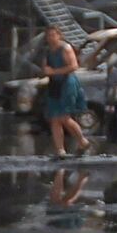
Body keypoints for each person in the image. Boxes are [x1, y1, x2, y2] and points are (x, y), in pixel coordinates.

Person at [35, 27, 90, 158]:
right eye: (49, 35)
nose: (51, 38)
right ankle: (60, 150)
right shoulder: (48, 51)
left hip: (67, 84)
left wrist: (54, 72)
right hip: (54, 84)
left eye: (53, 35)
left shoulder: (65, 48)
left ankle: (83, 141)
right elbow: (45, 68)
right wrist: (44, 71)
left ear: (59, 36)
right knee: (54, 118)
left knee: (64, 117)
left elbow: (74, 66)